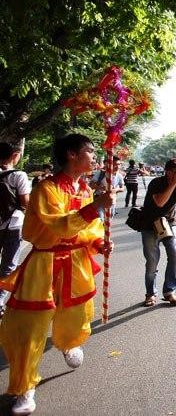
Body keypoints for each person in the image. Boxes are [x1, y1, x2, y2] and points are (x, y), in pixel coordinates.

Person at [0, 134, 114, 416]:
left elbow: (89, 229)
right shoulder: (46, 189)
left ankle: (68, 342)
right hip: (44, 262)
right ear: (72, 154)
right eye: (90, 151)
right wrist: (95, 208)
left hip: (76, 264)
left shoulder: (85, 190)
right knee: (29, 328)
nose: (94, 156)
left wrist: (99, 242)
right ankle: (25, 386)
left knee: (76, 316)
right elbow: (59, 226)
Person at [140, 158, 176, 307]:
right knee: (152, 261)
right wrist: (173, 183)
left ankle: (169, 291)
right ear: (168, 172)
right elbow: (160, 202)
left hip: (169, 223)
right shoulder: (156, 183)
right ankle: (150, 293)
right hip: (150, 224)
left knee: (175, 255)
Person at [0, 142, 31, 318]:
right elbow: (25, 202)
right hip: (13, 224)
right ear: (14, 155)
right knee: (9, 264)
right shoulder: (18, 175)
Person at [92, 156, 124, 222]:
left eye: (119, 164)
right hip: (99, 199)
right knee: (100, 219)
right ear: (109, 165)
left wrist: (116, 190)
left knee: (109, 219)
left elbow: (122, 188)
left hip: (112, 201)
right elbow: (91, 185)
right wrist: (101, 187)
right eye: (115, 165)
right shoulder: (100, 173)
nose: (117, 167)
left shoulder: (119, 176)